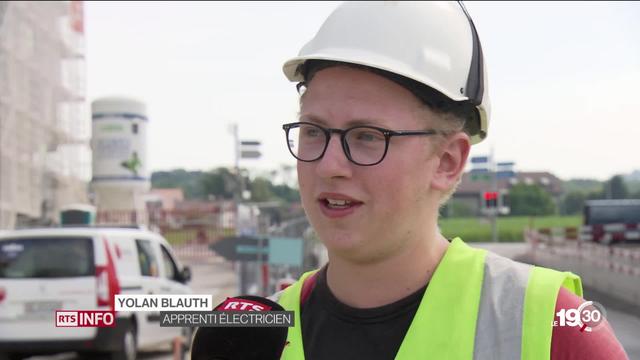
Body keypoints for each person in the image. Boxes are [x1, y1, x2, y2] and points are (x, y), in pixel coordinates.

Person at [270, 2, 628, 359]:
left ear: (446, 162)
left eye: (367, 136)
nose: (330, 165)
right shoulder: (242, 333)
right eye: (313, 131)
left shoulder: (555, 328)